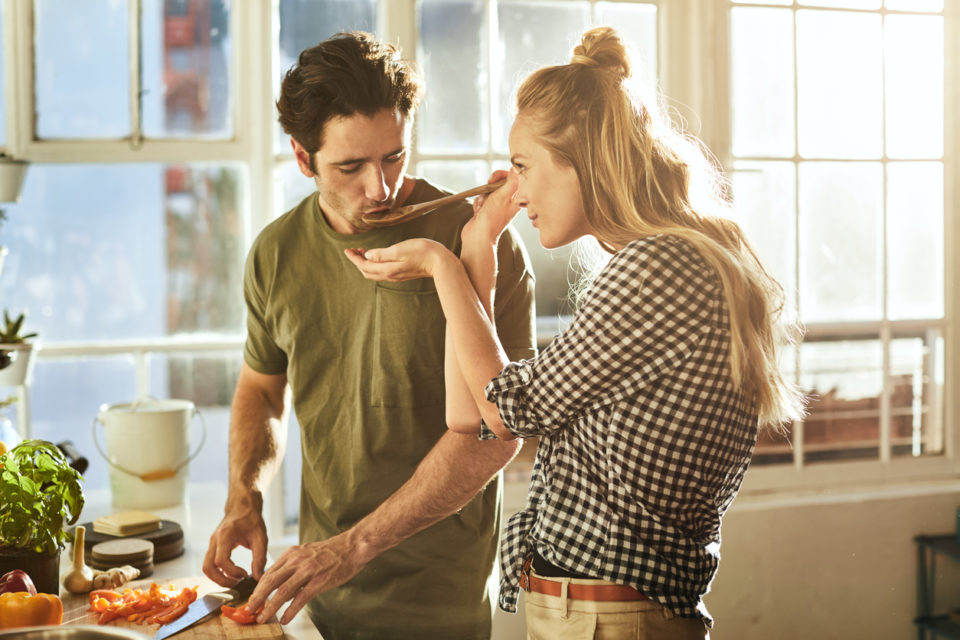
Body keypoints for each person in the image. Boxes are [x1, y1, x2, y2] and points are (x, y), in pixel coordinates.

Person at [346, 25, 806, 640]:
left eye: (524, 167)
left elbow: (508, 409)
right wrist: (476, 247)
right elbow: (472, 413)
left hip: (606, 617)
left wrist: (440, 263)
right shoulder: (671, 259)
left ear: (583, 161)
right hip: (596, 611)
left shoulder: (657, 268)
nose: (518, 191)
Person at [202, 31, 537, 640]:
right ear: (303, 160)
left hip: (441, 604)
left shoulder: (479, 241)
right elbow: (261, 389)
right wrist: (243, 494)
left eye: (393, 157)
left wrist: (351, 548)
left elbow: (498, 435)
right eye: (350, 166)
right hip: (317, 601)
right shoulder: (275, 253)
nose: (378, 187)